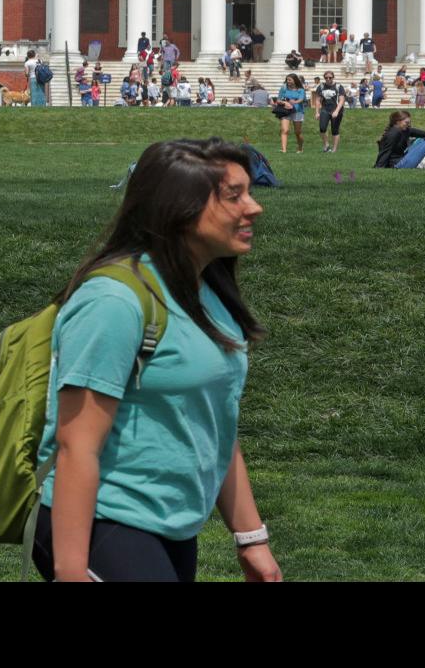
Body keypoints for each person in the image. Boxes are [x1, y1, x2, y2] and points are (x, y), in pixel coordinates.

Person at [32, 138, 280, 583]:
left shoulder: (207, 292)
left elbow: (214, 424)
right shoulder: (115, 300)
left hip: (170, 525)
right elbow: (76, 446)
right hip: (104, 521)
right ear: (179, 209)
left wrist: (251, 536)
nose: (254, 207)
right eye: (234, 196)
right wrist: (70, 571)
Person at [312, 70, 348, 153]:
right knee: (322, 128)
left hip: (336, 110)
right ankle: (326, 145)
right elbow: (317, 100)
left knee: (335, 130)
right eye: (326, 77)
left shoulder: (338, 86)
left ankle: (334, 150)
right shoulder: (321, 87)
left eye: (330, 77)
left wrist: (336, 111)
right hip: (325, 109)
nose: (328, 79)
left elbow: (342, 100)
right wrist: (317, 112)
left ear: (333, 77)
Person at [272, 73, 306, 154]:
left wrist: (294, 102)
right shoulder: (284, 88)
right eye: (287, 80)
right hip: (285, 111)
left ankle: (300, 147)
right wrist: (284, 103)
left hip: (298, 111)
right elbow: (278, 100)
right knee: (285, 130)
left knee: (298, 132)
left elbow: (301, 99)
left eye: (290, 80)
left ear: (295, 80)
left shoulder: (300, 89)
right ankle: (284, 150)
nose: (288, 81)